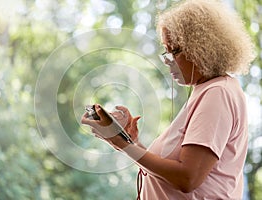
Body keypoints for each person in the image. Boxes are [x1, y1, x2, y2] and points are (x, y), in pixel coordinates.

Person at [81, 0, 256, 199]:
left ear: (202, 49)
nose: (167, 60)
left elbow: (187, 178)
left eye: (175, 51)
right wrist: (129, 142)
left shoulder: (218, 93)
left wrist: (124, 145)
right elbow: (171, 170)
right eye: (166, 50)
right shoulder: (206, 90)